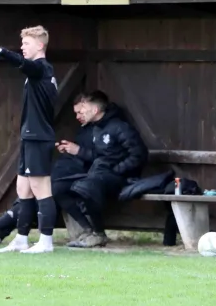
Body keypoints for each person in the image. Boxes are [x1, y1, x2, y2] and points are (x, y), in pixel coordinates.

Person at [0, 98, 95, 245]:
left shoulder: (111, 128)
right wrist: (72, 150)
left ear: (93, 108)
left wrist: (78, 151)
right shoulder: (87, 128)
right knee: (30, 194)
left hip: (86, 178)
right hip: (70, 173)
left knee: (41, 194)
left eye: (80, 111)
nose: (77, 116)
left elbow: (105, 159)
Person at [0, 25, 59, 254]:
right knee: (23, 189)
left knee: (41, 188)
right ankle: (21, 239)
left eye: (26, 43)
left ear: (40, 45)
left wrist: (3, 53)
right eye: (21, 44)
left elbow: (24, 65)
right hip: (29, 137)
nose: (22, 47)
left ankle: (46, 242)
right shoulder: (36, 72)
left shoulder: (42, 68)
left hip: (39, 138)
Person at [53, 90, 149, 248]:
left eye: (83, 108)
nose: (80, 113)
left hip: (120, 177)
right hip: (97, 175)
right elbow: (98, 155)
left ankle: (99, 234)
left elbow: (139, 155)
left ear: (95, 110)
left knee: (87, 187)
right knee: (57, 188)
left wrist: (117, 169)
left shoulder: (120, 127)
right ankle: (88, 230)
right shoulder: (96, 130)